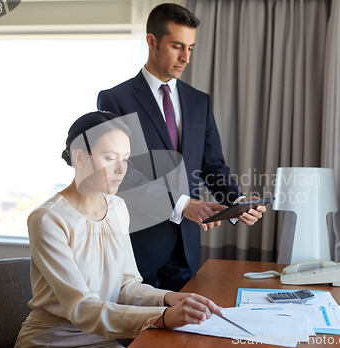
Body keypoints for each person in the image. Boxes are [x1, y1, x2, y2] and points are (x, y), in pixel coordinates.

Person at [14, 111, 222, 348]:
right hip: (55, 340)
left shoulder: (117, 207)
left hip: (105, 338)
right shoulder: (48, 219)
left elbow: (126, 286)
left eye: (126, 158)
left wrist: (167, 298)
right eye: (111, 158)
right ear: (79, 158)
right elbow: (81, 308)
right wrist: (162, 317)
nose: (122, 170)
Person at [97, 3, 266, 292]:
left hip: (187, 246)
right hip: (139, 245)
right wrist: (183, 205)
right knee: (139, 334)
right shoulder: (116, 100)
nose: (185, 57)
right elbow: (120, 173)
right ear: (152, 41)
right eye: (177, 46)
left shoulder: (200, 101)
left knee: (182, 333)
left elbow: (212, 165)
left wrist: (237, 204)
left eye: (190, 47)